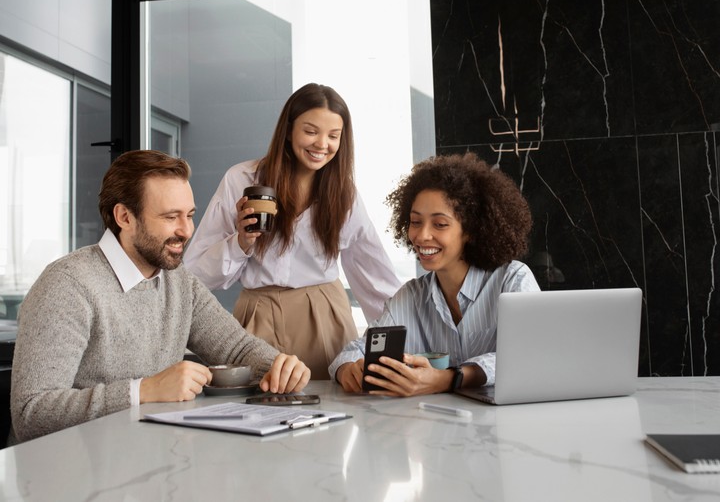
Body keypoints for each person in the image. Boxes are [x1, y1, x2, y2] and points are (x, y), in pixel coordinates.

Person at [10, 150, 310, 443]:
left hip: (147, 460)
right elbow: (31, 413)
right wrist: (143, 391)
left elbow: (236, 349)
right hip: (67, 476)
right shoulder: (68, 285)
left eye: (189, 215)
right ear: (124, 217)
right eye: (171, 217)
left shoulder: (177, 281)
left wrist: (278, 367)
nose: (186, 230)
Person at [184, 83, 402, 377]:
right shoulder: (242, 179)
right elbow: (195, 273)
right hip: (257, 316)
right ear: (288, 130)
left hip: (324, 315)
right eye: (311, 131)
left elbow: (374, 275)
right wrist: (241, 242)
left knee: (330, 410)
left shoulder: (343, 194)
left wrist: (403, 343)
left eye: (333, 136)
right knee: (253, 411)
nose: (321, 144)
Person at [329, 152, 539, 396]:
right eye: (415, 222)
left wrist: (449, 378)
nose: (421, 235)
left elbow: (531, 353)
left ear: (470, 229)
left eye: (439, 224)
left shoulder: (512, 280)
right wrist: (348, 369)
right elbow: (355, 351)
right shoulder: (411, 296)